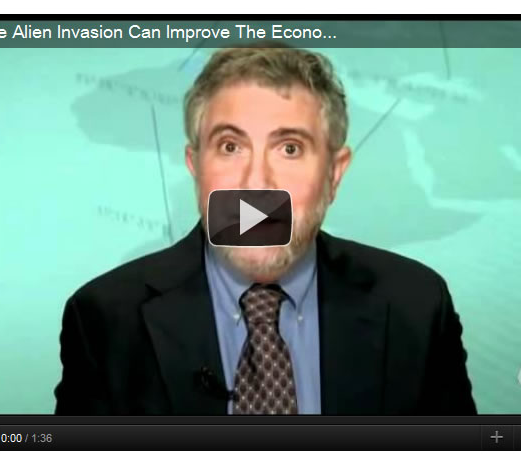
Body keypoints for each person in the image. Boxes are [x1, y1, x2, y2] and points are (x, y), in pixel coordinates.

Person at [54, 44, 477, 415]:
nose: (256, 181)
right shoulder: (104, 321)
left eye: (289, 148)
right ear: (195, 166)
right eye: (230, 146)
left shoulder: (417, 309)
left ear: (334, 174)